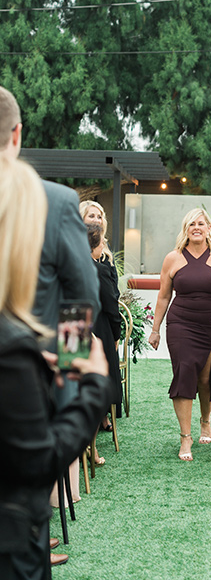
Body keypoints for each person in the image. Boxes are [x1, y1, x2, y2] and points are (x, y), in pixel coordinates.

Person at [0, 86, 100, 567]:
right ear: (17, 134)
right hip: (29, 381)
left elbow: (81, 299)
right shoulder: (55, 199)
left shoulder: (54, 202)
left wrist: (66, 373)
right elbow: (84, 299)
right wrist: (75, 381)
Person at [148, 209, 211, 461]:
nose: (196, 227)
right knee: (184, 374)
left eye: (201, 223)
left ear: (208, 228)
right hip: (181, 324)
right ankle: (186, 437)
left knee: (205, 378)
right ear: (185, 229)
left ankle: (205, 421)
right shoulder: (172, 258)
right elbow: (163, 296)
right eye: (191, 224)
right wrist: (155, 329)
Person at [87, 224, 123, 463]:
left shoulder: (69, 268)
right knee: (97, 386)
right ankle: (92, 448)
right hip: (97, 331)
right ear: (94, 246)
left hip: (72, 330)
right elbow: (111, 304)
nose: (104, 246)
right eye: (102, 242)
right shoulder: (99, 270)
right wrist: (117, 332)